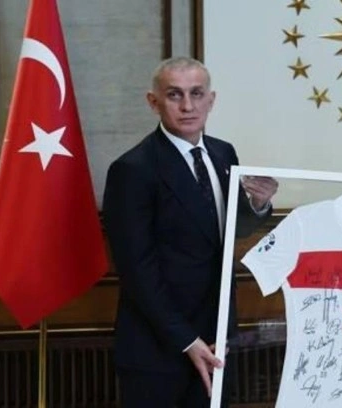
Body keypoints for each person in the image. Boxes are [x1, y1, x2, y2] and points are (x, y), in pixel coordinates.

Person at [103, 56, 278, 407]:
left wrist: (259, 205)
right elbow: (136, 270)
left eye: (196, 94)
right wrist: (186, 339)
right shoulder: (132, 169)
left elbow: (223, 231)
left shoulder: (223, 153)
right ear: (153, 101)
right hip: (158, 347)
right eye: (174, 95)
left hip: (217, 337)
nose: (187, 106)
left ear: (211, 100)